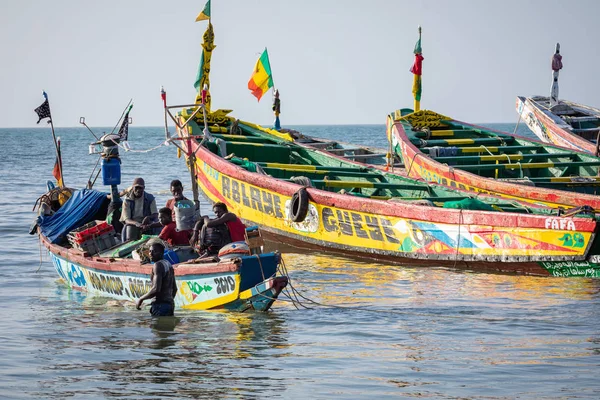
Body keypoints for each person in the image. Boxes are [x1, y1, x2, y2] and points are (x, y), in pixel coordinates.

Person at [136, 241, 178, 316]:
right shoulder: (168, 264)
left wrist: (141, 299)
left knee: (157, 327)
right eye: (150, 251)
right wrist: (168, 302)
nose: (151, 254)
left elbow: (156, 289)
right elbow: (174, 289)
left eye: (154, 251)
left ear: (161, 253)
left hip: (160, 306)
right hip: (170, 305)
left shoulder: (157, 265)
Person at [120, 177, 158, 242]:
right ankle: (131, 244)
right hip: (132, 223)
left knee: (157, 225)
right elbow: (127, 219)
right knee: (130, 228)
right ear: (133, 187)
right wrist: (137, 224)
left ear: (144, 188)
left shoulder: (150, 198)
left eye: (140, 188)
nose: (138, 190)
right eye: (136, 187)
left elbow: (155, 214)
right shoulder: (127, 200)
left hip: (146, 223)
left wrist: (148, 217)